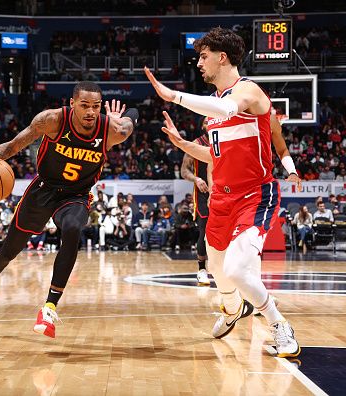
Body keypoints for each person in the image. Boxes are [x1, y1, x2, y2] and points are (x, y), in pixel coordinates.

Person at [145, 27, 300, 357]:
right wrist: (183, 144)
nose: (198, 63)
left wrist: (173, 96)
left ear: (222, 57)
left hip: (255, 194)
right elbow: (215, 154)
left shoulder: (247, 92)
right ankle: (232, 309)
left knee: (236, 269)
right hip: (222, 198)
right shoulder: (212, 110)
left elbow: (229, 110)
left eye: (203, 56)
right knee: (216, 268)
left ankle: (279, 325)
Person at [0, 81, 137, 338]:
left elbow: (132, 119)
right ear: (72, 104)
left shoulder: (110, 130)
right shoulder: (52, 120)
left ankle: (49, 307)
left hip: (76, 195)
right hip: (43, 190)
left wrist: (119, 120)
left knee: (72, 228)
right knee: (9, 249)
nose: (91, 112)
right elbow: (13, 145)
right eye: (85, 105)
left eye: (96, 106)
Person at [181, 118, 212, 286]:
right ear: (202, 126)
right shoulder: (196, 143)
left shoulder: (225, 140)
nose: (209, 124)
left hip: (223, 192)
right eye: (206, 122)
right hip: (203, 193)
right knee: (204, 230)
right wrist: (196, 179)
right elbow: (184, 170)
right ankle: (202, 269)